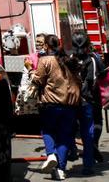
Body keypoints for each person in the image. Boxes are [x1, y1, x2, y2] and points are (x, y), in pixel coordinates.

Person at [32, 35, 81, 180]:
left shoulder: (45, 60)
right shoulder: (70, 60)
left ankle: (51, 154)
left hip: (50, 104)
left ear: (46, 46)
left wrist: (30, 70)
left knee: (47, 130)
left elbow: (38, 80)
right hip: (70, 104)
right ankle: (60, 169)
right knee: (64, 137)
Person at [69, 34, 105, 175]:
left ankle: (69, 154)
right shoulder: (93, 59)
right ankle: (88, 164)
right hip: (89, 100)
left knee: (70, 129)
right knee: (89, 132)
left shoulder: (70, 59)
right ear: (87, 45)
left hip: (71, 101)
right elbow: (101, 75)